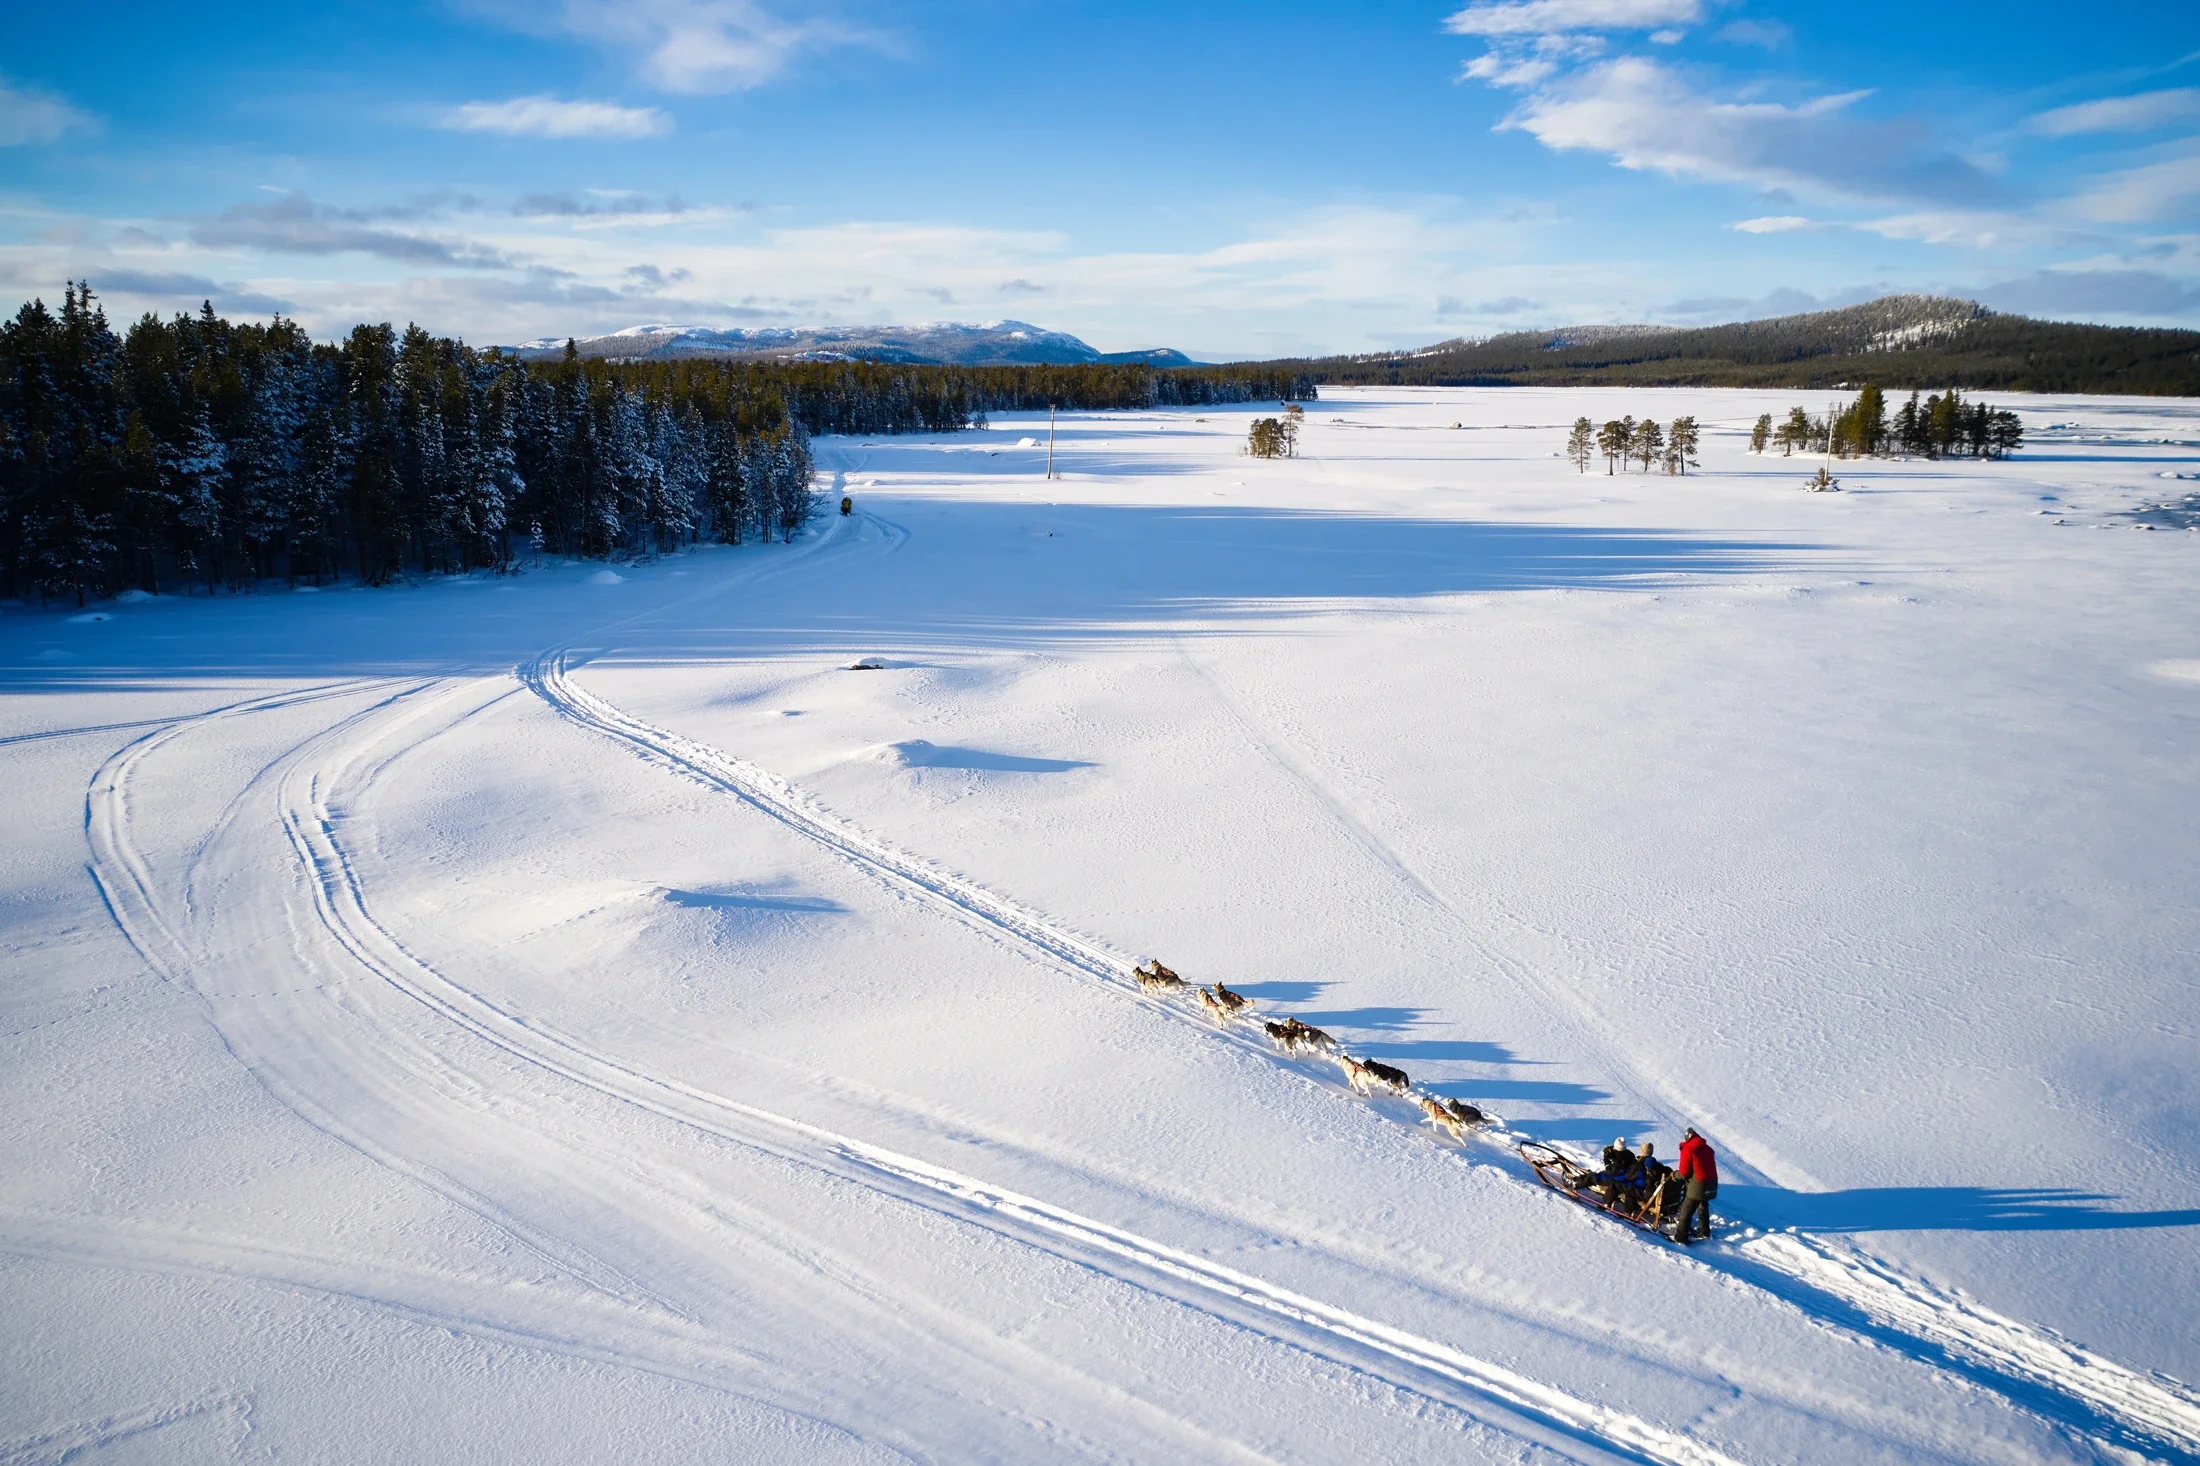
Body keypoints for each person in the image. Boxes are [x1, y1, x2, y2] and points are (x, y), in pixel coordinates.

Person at [1670, 1127, 1718, 1244]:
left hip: (1698, 1184)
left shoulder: (1688, 1149)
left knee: (1686, 1209)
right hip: (1711, 1182)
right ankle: (1704, 1231)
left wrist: (1674, 1175)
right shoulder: (1707, 1148)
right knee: (1703, 1205)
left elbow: (1684, 1172)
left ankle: (1681, 1237)